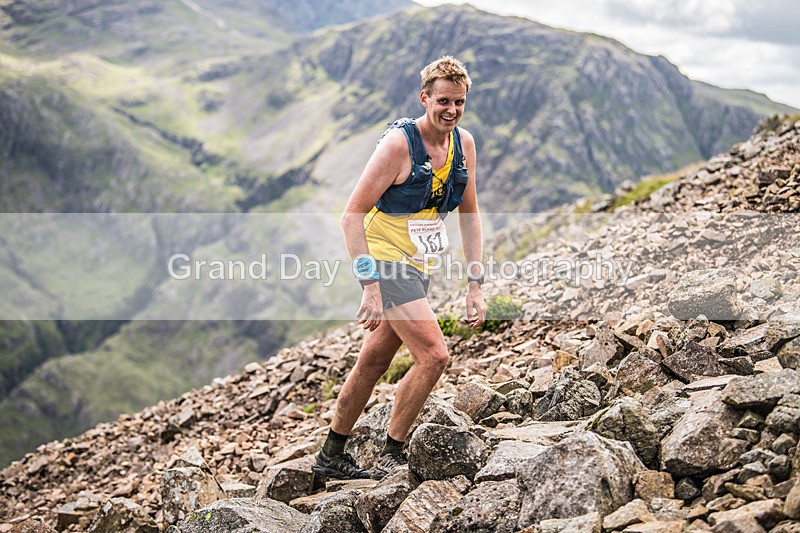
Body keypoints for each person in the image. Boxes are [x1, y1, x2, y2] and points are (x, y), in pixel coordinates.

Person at [312, 56, 485, 480]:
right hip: (386, 259)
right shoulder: (397, 146)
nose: (451, 110)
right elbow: (351, 215)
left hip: (417, 262)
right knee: (434, 355)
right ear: (424, 98)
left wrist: (475, 283)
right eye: (443, 100)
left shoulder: (464, 145)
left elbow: (470, 214)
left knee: (373, 359)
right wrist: (370, 284)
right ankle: (393, 449)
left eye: (459, 102)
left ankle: (330, 456)